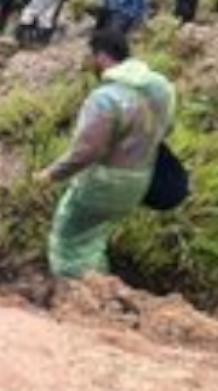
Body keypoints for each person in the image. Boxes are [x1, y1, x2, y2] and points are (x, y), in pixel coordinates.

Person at [35, 29, 175, 278]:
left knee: (69, 239)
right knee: (93, 238)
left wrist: (51, 174)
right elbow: (166, 129)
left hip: (104, 182)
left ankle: (78, 297)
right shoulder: (159, 91)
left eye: (89, 56)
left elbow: (87, 151)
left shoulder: (106, 98)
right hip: (139, 180)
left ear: (100, 56)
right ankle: (102, 291)